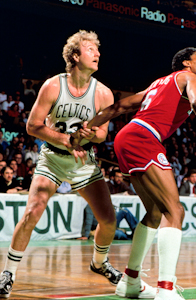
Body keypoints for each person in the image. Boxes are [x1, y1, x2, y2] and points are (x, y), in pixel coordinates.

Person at [72, 47, 196, 299]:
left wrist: (84, 130)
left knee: (153, 213)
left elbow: (118, 108)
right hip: (144, 137)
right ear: (186, 63)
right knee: (175, 211)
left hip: (127, 135)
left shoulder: (157, 84)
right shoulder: (188, 78)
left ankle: (130, 281)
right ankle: (166, 289)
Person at [0, 30, 122, 298]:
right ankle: (8, 272)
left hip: (84, 162)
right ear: (75, 55)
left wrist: (92, 135)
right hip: (53, 158)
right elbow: (33, 126)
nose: (98, 53)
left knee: (109, 221)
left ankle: (99, 263)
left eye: (98, 50)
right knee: (33, 210)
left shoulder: (103, 93)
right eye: (91, 49)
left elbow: (103, 134)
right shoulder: (53, 86)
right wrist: (65, 140)